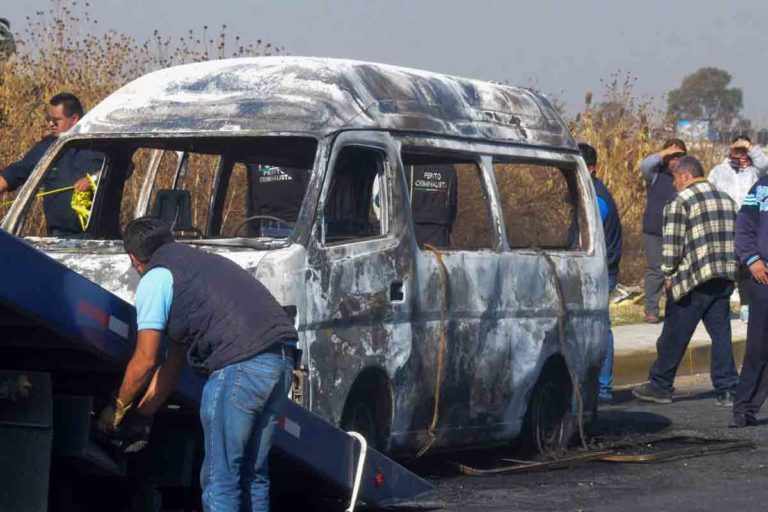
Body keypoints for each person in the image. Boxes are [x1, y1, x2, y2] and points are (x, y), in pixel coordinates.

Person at [97, 217, 298, 511]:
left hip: (238, 364)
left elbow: (145, 360)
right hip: (280, 360)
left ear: (133, 258)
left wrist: (116, 409)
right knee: (253, 476)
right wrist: (143, 414)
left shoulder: (156, 276)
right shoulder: (198, 265)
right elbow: (173, 363)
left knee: (221, 480)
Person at [632, 156, 739, 405]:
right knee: (721, 335)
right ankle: (727, 389)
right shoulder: (727, 200)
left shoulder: (680, 201)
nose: (675, 186)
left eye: (676, 181)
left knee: (675, 333)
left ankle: (660, 385)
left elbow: (672, 245)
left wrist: (668, 273)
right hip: (723, 277)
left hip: (693, 278)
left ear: (685, 176)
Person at [0, 92, 104, 237]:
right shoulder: (47, 147)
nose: (50, 124)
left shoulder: (101, 142)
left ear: (74, 119)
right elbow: (15, 173)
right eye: (49, 120)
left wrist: (93, 179)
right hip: (59, 235)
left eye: (56, 121)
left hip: (98, 235)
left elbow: (124, 168)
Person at [579, 143, 622, 401]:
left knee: (600, 326)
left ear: (591, 168)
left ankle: (604, 387)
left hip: (601, 271)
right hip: (601, 269)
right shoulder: (591, 193)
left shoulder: (596, 199)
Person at [708, 135, 768, 322]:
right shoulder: (718, 171)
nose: (741, 155)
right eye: (738, 150)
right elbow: (709, 194)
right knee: (725, 267)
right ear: (730, 150)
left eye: (744, 151)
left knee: (746, 268)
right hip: (724, 227)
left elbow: (764, 164)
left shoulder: (754, 172)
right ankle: (720, 309)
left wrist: (749, 147)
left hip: (749, 229)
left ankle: (745, 305)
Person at [730, 176, 768, 427]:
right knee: (758, 347)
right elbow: (743, 225)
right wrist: (752, 259)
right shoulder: (762, 187)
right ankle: (743, 407)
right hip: (764, 277)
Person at [638, 139, 688, 323]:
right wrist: (664, 152)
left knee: (677, 271)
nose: (675, 160)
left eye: (679, 155)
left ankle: (677, 309)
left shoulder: (686, 178)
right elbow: (646, 164)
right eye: (672, 155)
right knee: (655, 270)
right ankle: (651, 310)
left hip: (677, 231)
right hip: (654, 231)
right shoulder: (656, 174)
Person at [247, 165, 310, 237]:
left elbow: (310, 192)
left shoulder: (299, 156)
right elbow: (253, 199)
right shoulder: (254, 159)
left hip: (296, 225)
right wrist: (252, 234)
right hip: (266, 228)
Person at [406, 164, 458, 247]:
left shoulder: (408, 165)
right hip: (440, 229)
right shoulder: (449, 168)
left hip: (412, 225)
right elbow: (453, 203)